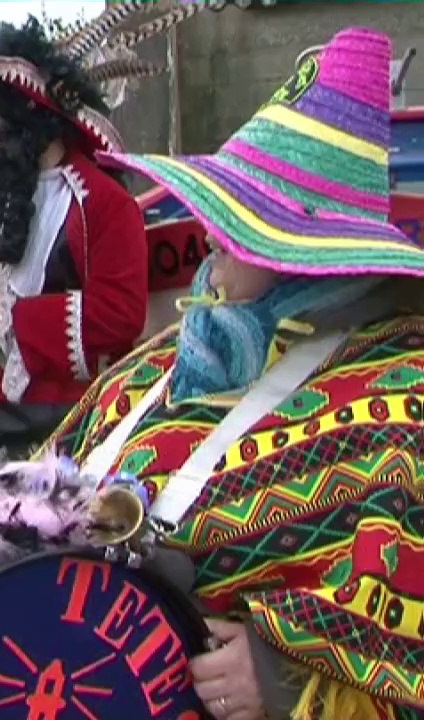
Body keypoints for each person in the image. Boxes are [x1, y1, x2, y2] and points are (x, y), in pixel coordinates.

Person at [42, 26, 424, 720]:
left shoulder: (404, 397)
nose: (210, 235)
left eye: (237, 217)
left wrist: (284, 679)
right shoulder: (168, 357)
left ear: (301, 249)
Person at [0, 16, 154, 456]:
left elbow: (122, 314)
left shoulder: (102, 202)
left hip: (62, 423)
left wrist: (10, 320)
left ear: (38, 120)